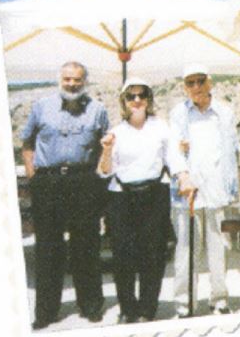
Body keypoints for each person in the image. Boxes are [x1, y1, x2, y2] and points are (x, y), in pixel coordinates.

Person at [21, 62, 108, 329]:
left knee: (87, 245)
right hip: (48, 182)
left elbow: (106, 145)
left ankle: (91, 306)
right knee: (48, 248)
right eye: (68, 79)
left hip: (84, 180)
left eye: (77, 80)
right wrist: (33, 175)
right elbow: (27, 142)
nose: (72, 84)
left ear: (85, 81)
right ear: (60, 79)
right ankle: (46, 312)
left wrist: (97, 178)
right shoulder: (42, 106)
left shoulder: (98, 110)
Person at [97, 77, 171, 323]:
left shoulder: (161, 127)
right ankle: (128, 309)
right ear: (124, 101)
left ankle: (147, 309)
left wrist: (183, 177)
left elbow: (173, 158)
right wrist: (107, 150)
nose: (137, 100)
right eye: (131, 96)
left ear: (149, 99)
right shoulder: (116, 132)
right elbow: (105, 171)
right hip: (122, 197)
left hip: (155, 194)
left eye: (142, 95)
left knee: (153, 254)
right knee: (123, 256)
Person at [168, 64, 239, 317]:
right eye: (191, 82)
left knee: (219, 249)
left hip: (217, 191)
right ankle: (184, 304)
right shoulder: (178, 113)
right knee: (186, 251)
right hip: (188, 192)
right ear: (184, 87)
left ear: (210, 83)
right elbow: (173, 150)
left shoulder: (225, 112)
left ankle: (219, 300)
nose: (196, 87)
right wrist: (183, 175)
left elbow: (231, 149)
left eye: (200, 81)